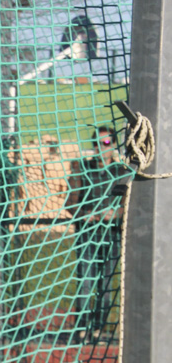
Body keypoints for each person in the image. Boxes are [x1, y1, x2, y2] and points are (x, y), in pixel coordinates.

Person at [67, 125, 132, 342]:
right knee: (85, 283)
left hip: (112, 235)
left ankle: (98, 329)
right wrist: (84, 213)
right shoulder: (83, 168)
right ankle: (82, 328)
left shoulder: (121, 171)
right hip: (87, 234)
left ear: (113, 145)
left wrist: (115, 213)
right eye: (97, 143)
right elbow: (71, 201)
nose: (100, 148)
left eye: (105, 143)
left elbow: (128, 204)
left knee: (106, 286)